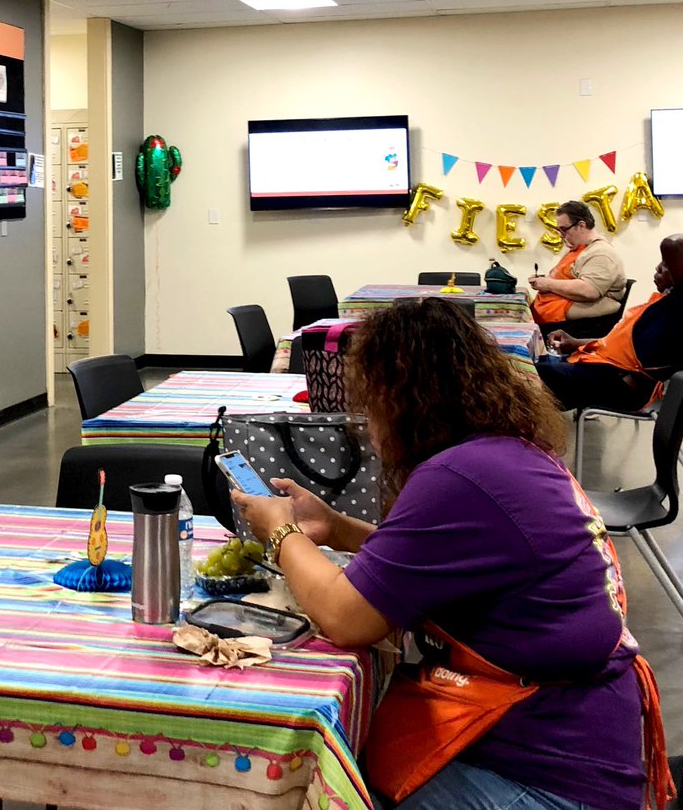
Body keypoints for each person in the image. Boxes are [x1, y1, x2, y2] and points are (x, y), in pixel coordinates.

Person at [231, 298, 670, 810]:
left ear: (400, 399)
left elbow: (346, 619)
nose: (368, 429)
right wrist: (336, 529)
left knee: (312, 781)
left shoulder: (457, 478)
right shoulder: (503, 455)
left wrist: (282, 533)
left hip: (549, 780)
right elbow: (433, 561)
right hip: (582, 743)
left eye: (369, 405)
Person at [536, 233, 683, 412]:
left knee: (524, 376)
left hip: (620, 387)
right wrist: (576, 343)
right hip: (605, 371)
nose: (658, 268)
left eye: (666, 264)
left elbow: (673, 245)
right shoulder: (662, 303)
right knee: (527, 367)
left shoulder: (678, 307)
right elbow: (620, 347)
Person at [528, 200, 626, 329]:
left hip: (568, 327)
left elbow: (589, 290)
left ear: (581, 225)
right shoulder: (582, 248)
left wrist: (547, 284)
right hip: (549, 315)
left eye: (564, 230)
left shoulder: (602, 253)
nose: (562, 236)